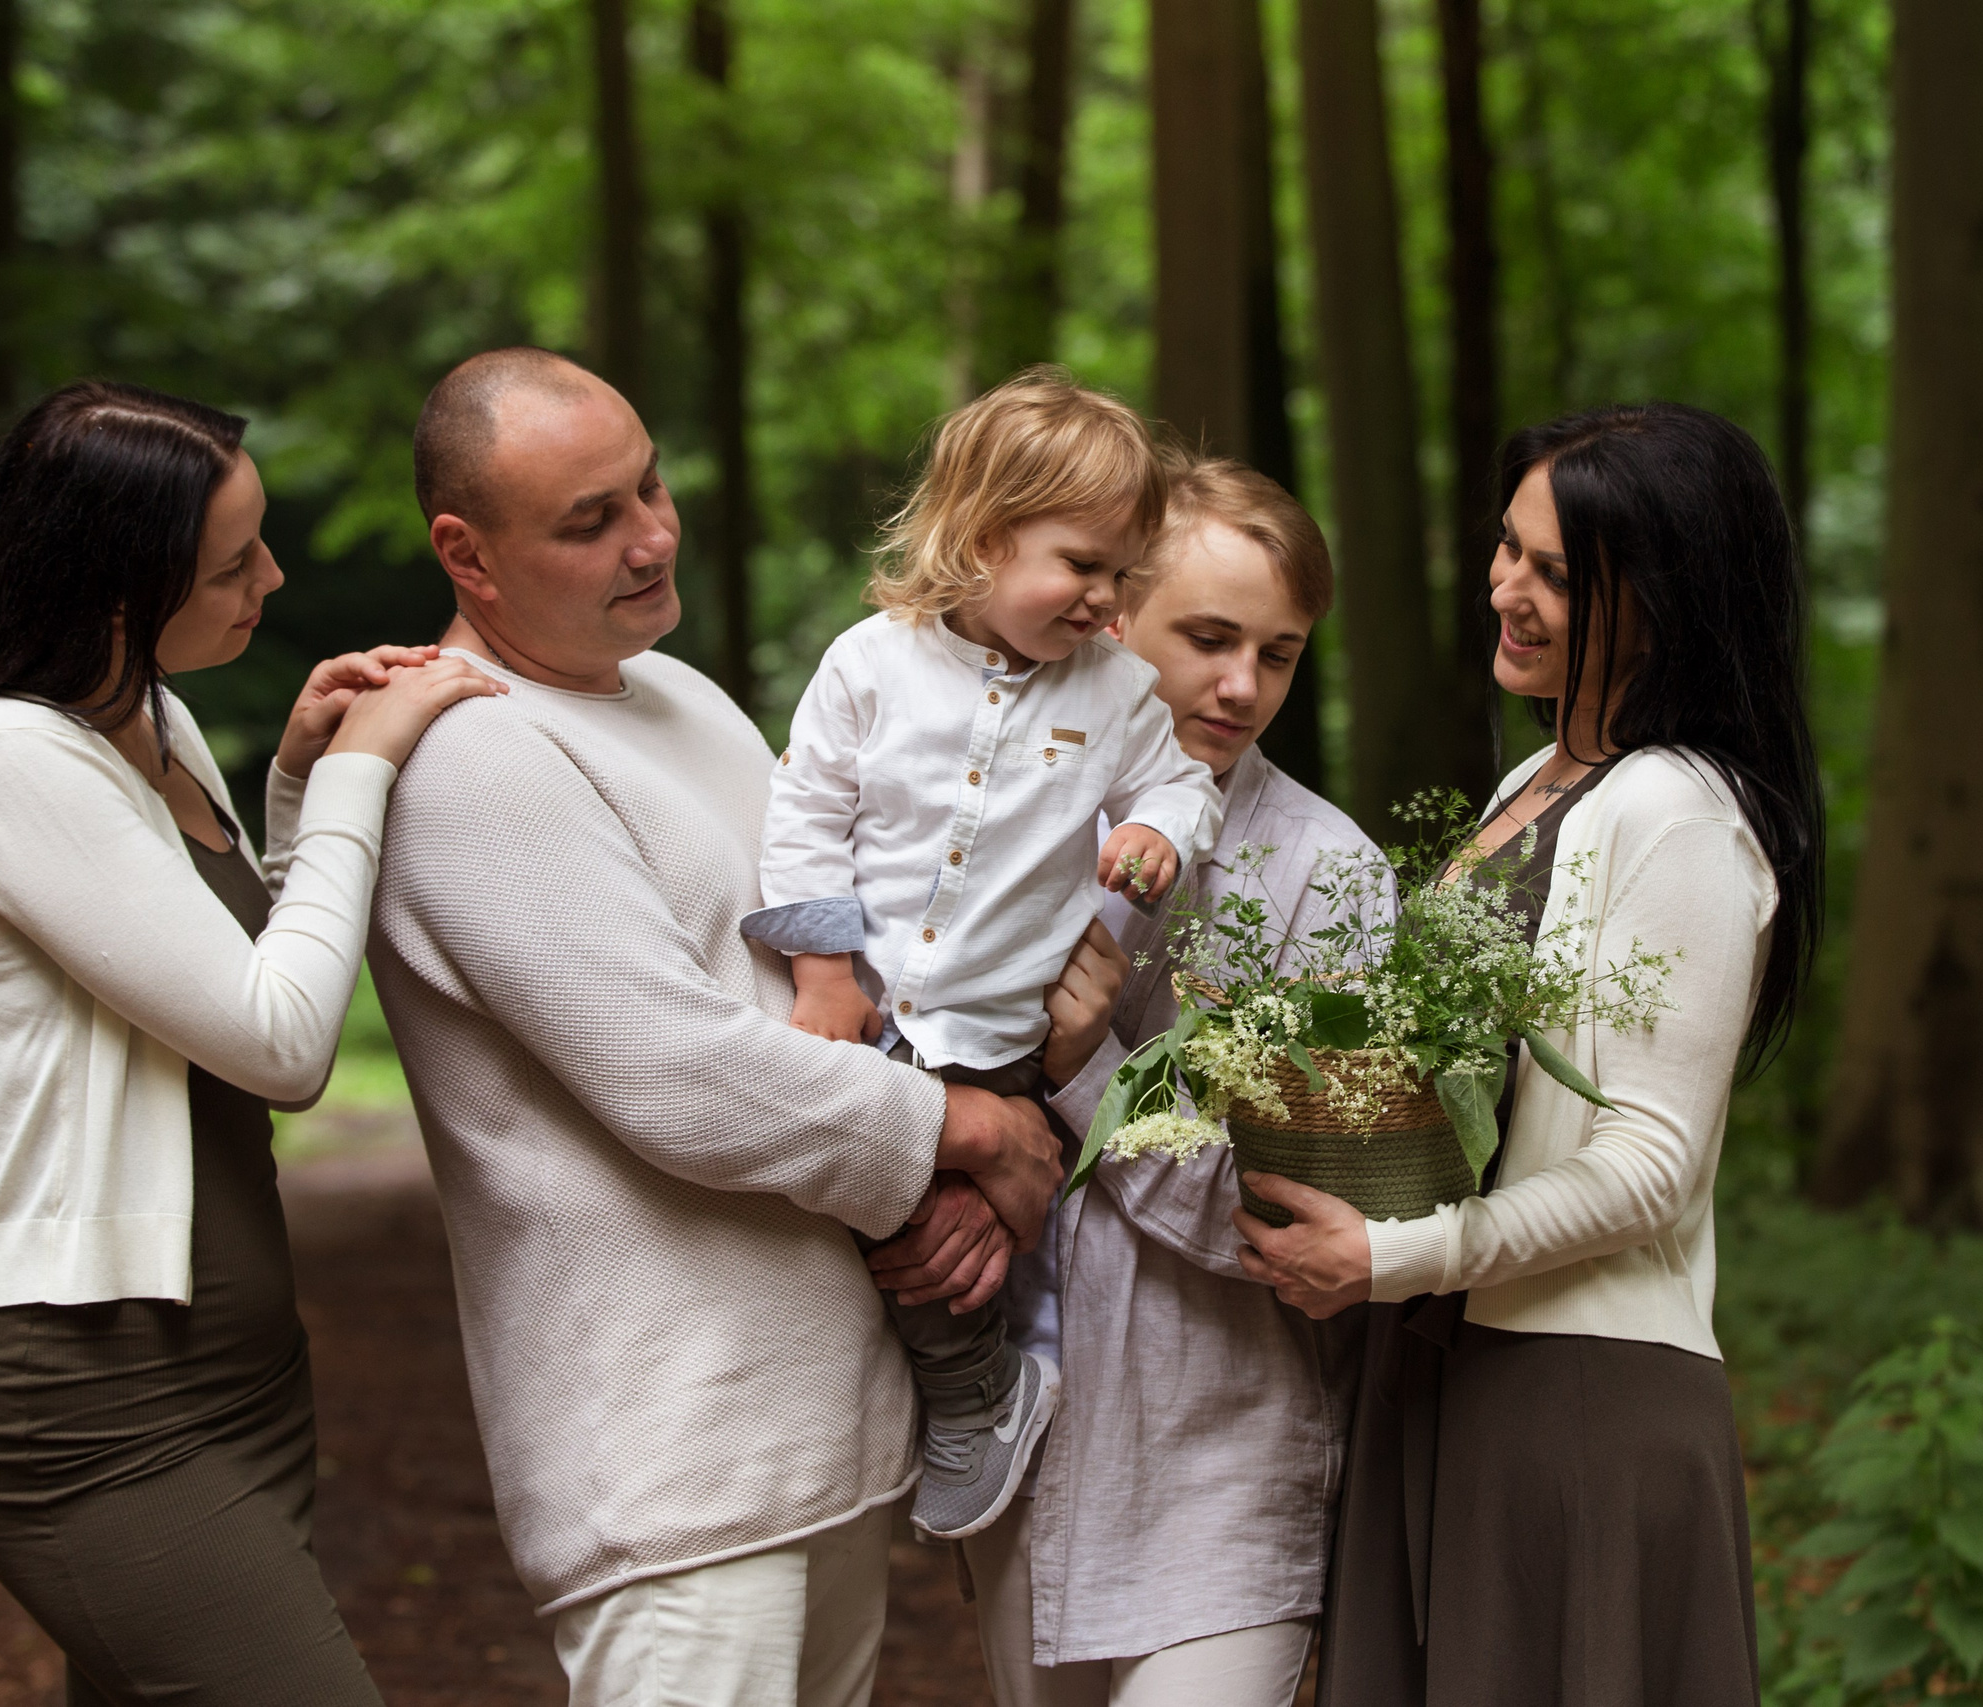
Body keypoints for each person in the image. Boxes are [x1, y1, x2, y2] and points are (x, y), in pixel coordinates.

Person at [364, 347, 1075, 1706]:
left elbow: (839, 974)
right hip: (669, 1459)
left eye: (650, 486)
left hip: (818, 1419)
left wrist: (968, 1149)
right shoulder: (473, 754)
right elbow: (679, 1076)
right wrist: (967, 1126)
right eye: (590, 520)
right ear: (467, 550)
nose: (650, 537)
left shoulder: (675, 693)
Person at [0, 379, 506, 1705]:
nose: (270, 575)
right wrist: (366, 776)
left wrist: (298, 778)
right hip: (95, 1408)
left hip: (236, 1376)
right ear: (111, 583)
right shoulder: (9, 761)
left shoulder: (152, 718)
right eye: (232, 562)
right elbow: (282, 1042)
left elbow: (227, 974)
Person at [1241, 403, 1825, 1706]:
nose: (1507, 587)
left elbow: (1651, 1166)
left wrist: (1391, 1257)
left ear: (1665, 596)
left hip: (1574, 1395)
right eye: (1508, 546)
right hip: (1446, 1368)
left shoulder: (1677, 810)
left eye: (1557, 571)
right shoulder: (1537, 781)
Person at [743, 372, 1222, 1544]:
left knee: (934, 1234)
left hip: (998, 1035)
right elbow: (806, 812)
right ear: (982, 538)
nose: (1105, 598)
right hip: (873, 1012)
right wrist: (820, 970)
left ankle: (976, 1396)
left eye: (1122, 573)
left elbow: (1176, 780)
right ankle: (963, 1386)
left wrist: (1158, 829)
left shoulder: (1115, 690)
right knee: (865, 1203)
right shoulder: (871, 662)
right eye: (1079, 564)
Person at [960, 454, 1380, 1705]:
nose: (1243, 686)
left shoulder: (1331, 876)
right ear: (1111, 613)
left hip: (1226, 1461)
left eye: (1281, 653)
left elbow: (1297, 1214)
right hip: (1021, 1448)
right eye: (1206, 639)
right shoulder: (990, 819)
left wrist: (1084, 1075)